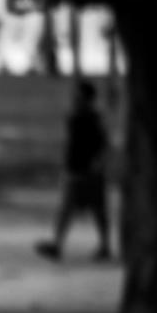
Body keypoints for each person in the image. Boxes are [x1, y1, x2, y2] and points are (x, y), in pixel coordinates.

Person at [36, 80, 110, 261]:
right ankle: (59, 244)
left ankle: (104, 245)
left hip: (87, 171)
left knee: (94, 209)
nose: (73, 99)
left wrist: (97, 163)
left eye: (77, 95)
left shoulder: (92, 119)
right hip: (75, 169)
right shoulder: (75, 117)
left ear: (85, 98)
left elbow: (102, 143)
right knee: (70, 209)